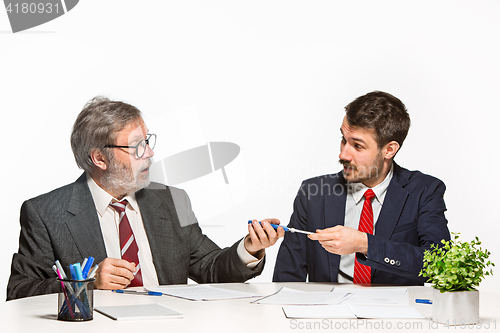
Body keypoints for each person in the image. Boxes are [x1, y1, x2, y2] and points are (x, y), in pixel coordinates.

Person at [7, 97, 284, 300]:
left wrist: (249, 248)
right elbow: (20, 292)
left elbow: (210, 268)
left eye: (147, 142)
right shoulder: (44, 213)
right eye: (137, 146)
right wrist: (87, 282)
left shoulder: (173, 200)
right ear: (99, 158)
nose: (149, 153)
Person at [273, 91, 450, 285]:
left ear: (389, 150)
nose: (343, 154)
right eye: (343, 140)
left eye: (357, 146)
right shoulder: (313, 192)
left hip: (393, 313)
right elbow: (287, 278)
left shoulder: (425, 191)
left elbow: (439, 264)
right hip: (327, 311)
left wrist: (365, 244)